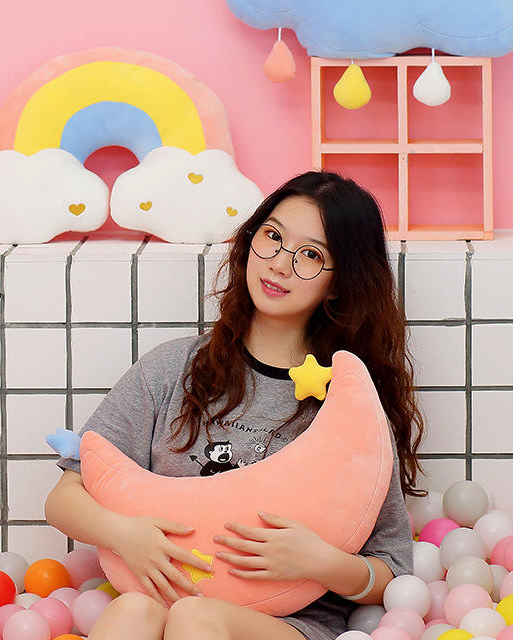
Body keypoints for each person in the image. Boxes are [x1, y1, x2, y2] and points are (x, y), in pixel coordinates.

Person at [45, 170, 425, 640]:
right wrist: (125, 534)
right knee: (134, 610)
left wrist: (322, 562)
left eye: (311, 255)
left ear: (338, 283)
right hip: (166, 602)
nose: (280, 264)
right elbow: (65, 496)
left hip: (289, 623)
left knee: (195, 617)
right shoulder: (173, 369)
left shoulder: (346, 403)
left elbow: (392, 566)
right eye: (273, 237)